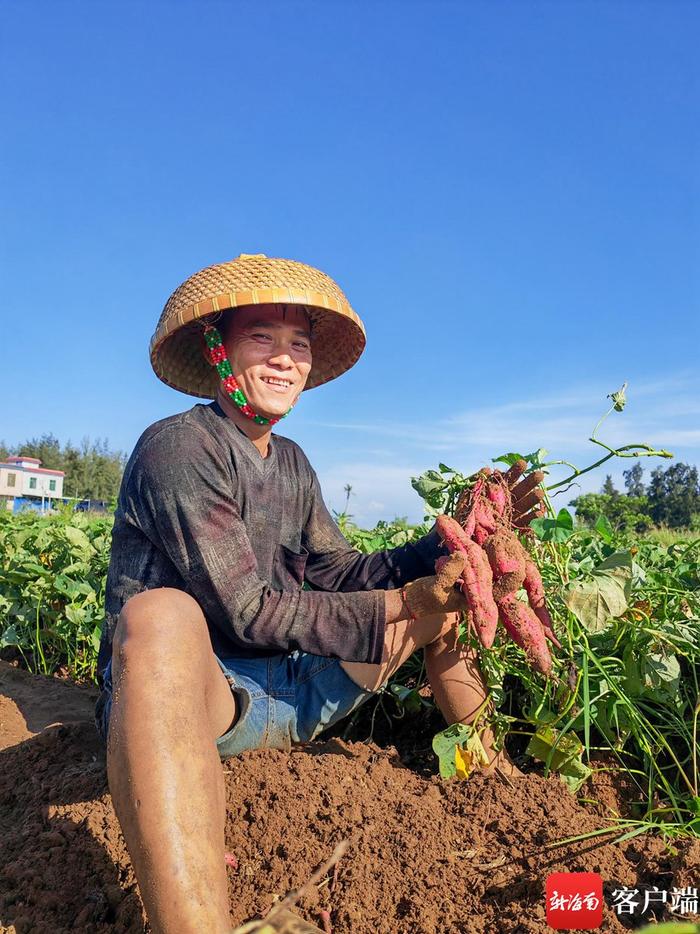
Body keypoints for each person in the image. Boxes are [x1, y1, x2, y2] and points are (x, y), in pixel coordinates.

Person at [95, 253, 537, 934]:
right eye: (260, 340)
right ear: (217, 350)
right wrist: (405, 601)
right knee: (160, 616)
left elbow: (340, 573)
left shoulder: (293, 462)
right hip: (197, 705)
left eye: (297, 345)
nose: (284, 360)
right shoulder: (178, 450)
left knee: (448, 600)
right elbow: (247, 610)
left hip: (294, 688)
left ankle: (495, 786)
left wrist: (450, 542)